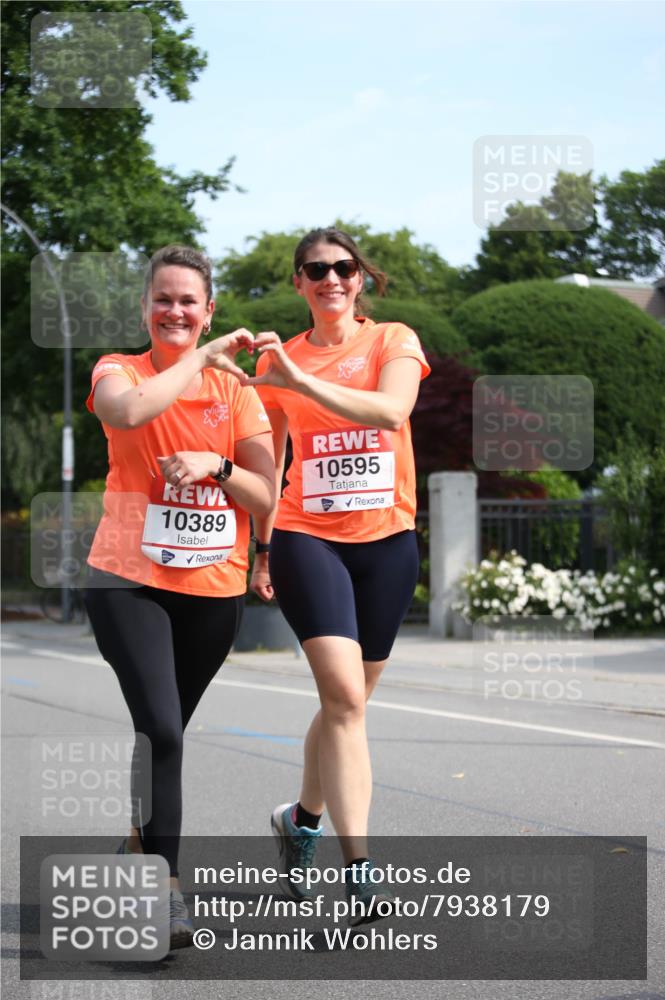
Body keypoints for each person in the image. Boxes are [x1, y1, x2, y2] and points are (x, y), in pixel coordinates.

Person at [83, 245, 275, 949]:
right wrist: (200, 359)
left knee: (161, 734)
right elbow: (129, 414)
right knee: (161, 730)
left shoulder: (238, 394)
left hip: (214, 587)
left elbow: (264, 494)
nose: (174, 311)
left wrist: (217, 466)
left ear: (209, 310)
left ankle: (136, 841)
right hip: (127, 580)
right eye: (162, 299)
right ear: (145, 308)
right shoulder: (119, 369)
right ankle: (165, 894)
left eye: (188, 301)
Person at [246, 227, 430, 925]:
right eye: (314, 269)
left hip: (385, 545)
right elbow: (269, 463)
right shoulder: (278, 361)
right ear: (298, 283)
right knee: (346, 700)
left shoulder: (392, 341)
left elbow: (391, 411)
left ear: (360, 278)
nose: (330, 278)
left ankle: (300, 817)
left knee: (344, 706)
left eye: (342, 268)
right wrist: (262, 550)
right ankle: (359, 869)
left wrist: (300, 381)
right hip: (306, 540)